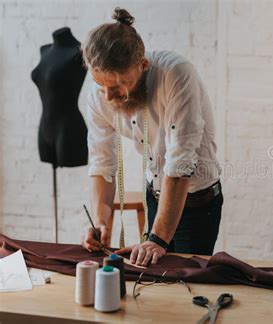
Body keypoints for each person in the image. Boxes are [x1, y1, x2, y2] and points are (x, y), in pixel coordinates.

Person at [81, 8, 223, 267]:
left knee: (188, 281)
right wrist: (101, 221)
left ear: (142, 65)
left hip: (197, 201)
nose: (108, 97)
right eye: (100, 85)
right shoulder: (99, 94)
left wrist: (158, 238)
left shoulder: (176, 75)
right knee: (153, 282)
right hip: (155, 195)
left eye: (117, 86)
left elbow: (180, 162)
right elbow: (102, 164)